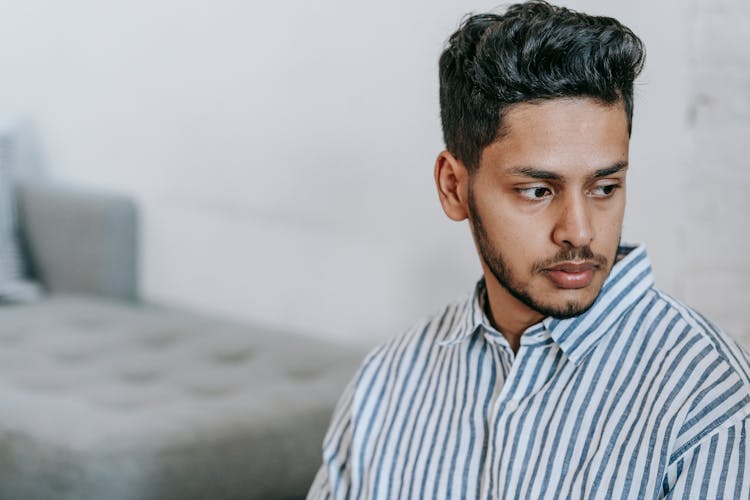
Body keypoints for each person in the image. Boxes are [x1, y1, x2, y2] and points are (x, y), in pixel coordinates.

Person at [308, 1, 750, 498]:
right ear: (454, 187)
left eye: (604, 187)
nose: (580, 233)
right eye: (538, 191)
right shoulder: (387, 383)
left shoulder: (710, 406)